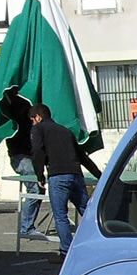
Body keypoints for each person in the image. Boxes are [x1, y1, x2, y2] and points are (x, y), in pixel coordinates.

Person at [29, 102, 102, 261]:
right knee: (87, 211)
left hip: (58, 176)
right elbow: (83, 157)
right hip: (76, 175)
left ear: (39, 117)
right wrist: (99, 175)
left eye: (32, 119)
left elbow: (37, 152)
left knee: (60, 215)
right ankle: (102, 244)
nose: (32, 123)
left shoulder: (38, 129)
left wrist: (39, 175)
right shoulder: (65, 131)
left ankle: (66, 253)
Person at [0, 89, 46, 242]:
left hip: (25, 156)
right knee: (35, 188)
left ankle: (28, 226)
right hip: (22, 156)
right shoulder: (16, 114)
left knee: (37, 189)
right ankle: (27, 227)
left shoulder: (22, 111)